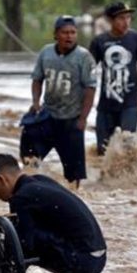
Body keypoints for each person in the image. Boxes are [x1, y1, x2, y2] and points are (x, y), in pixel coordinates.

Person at [0, 153, 107, 273]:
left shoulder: (21, 198)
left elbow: (24, 245)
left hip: (83, 260)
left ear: (2, 179)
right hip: (99, 255)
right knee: (27, 236)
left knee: (20, 241)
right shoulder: (39, 181)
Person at [21, 15, 96, 188]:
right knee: (30, 150)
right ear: (56, 35)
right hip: (48, 115)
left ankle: (74, 194)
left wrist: (83, 118)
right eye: (65, 33)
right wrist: (36, 102)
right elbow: (37, 79)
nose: (69, 36)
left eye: (72, 33)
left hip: (71, 119)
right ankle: (32, 186)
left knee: (74, 172)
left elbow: (90, 89)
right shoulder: (46, 52)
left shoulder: (84, 57)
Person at [89, 1, 137, 155]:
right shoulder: (99, 42)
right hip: (106, 106)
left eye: (128, 17)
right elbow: (88, 71)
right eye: (121, 18)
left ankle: (127, 178)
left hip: (129, 105)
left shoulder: (135, 38)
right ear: (110, 20)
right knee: (101, 152)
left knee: (128, 147)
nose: (126, 22)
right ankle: (104, 180)